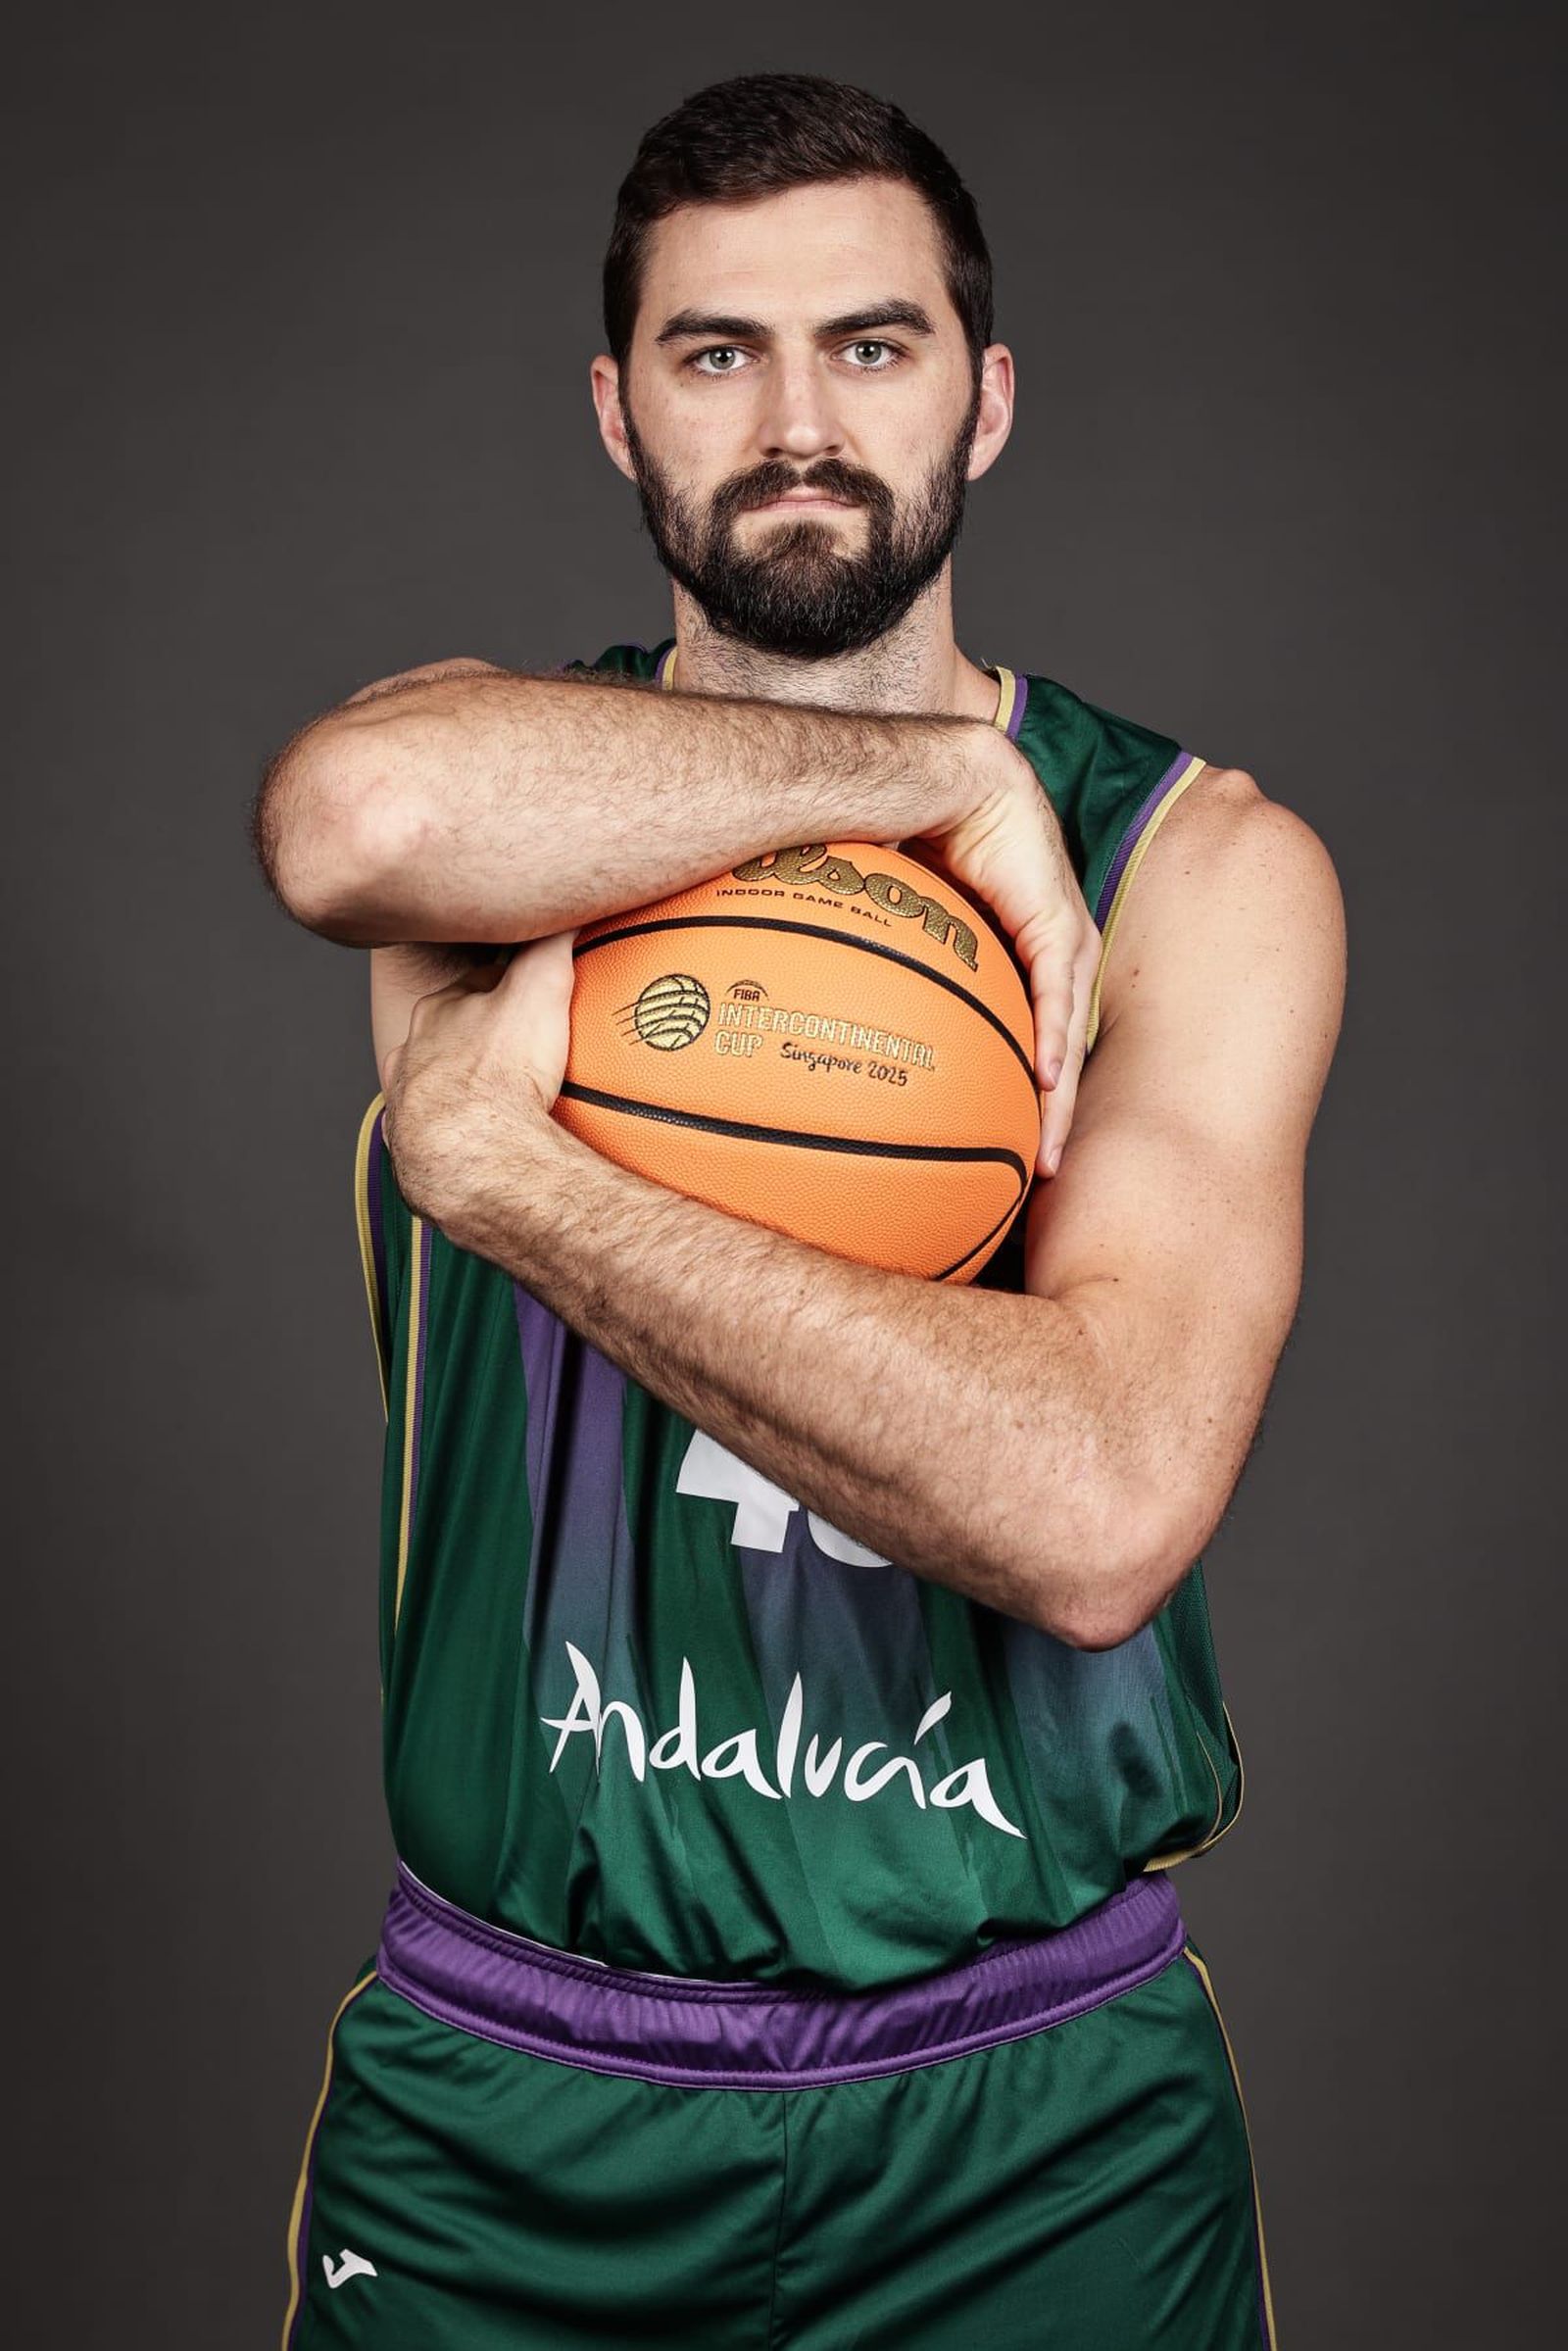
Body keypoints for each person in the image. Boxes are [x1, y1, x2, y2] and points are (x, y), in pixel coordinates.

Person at [254, 71, 1344, 2351]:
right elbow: (346, 809)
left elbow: (1096, 1498)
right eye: (710, 351)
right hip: (513, 2112)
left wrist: (498, 1175)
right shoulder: (499, 781)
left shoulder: (1193, 873)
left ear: (987, 393)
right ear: (612, 409)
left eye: (869, 345)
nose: (794, 424)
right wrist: (930, 772)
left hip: (1027, 2116)